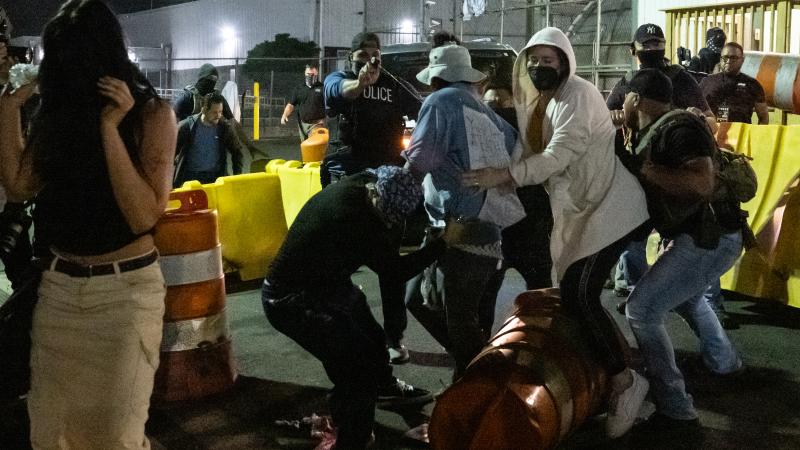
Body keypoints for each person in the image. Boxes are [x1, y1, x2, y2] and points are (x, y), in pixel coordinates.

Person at [0, 1, 176, 448]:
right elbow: (20, 186)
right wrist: (8, 108)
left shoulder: (152, 114)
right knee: (51, 433)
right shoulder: (58, 115)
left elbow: (142, 216)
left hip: (125, 296)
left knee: (115, 436)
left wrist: (111, 129)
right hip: (59, 292)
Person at [462, 27, 651, 438]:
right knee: (575, 294)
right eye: (534, 60)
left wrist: (506, 174)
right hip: (584, 210)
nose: (539, 67)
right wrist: (506, 179)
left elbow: (559, 153)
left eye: (549, 61)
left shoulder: (578, 95)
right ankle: (613, 369)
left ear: (565, 62)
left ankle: (627, 383)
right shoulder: (539, 100)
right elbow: (526, 151)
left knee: (580, 294)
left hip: (611, 207)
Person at [262, 166, 452, 450]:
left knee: (373, 339)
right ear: (376, 198)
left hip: (326, 284)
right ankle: (354, 438)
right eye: (386, 218)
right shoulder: (354, 220)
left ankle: (383, 389)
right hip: (291, 300)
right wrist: (443, 245)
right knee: (354, 368)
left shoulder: (365, 182)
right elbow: (394, 272)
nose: (388, 225)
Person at [621, 69, 744, 432]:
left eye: (624, 99)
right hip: (706, 236)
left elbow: (701, 183)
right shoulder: (649, 130)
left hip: (711, 239)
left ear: (635, 100)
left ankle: (675, 407)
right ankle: (725, 363)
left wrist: (645, 170)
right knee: (687, 298)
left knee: (642, 309)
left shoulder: (679, 130)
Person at [402, 44, 526, 380]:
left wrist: (392, 191)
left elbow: (420, 160)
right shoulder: (490, 116)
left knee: (453, 316)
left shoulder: (439, 102)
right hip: (489, 231)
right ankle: (474, 366)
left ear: (436, 79)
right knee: (451, 311)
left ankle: (481, 379)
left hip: (458, 227)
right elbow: (515, 152)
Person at [607, 23, 716, 300]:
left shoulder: (680, 78)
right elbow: (604, 118)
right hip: (645, 179)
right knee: (633, 238)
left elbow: (710, 120)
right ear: (634, 50)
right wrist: (618, 117)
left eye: (658, 44)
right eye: (647, 45)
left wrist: (693, 121)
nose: (653, 49)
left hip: (678, 175)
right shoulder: (629, 81)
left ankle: (700, 298)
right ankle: (639, 290)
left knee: (693, 238)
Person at [322, 32, 421, 186]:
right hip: (347, 170)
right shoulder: (337, 79)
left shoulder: (395, 85)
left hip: (386, 171)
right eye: (363, 55)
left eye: (375, 55)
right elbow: (339, 90)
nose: (370, 60)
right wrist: (360, 84)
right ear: (351, 57)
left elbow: (425, 114)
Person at [173, 91, 244, 187]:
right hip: (190, 178)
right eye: (215, 112)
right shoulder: (186, 127)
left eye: (220, 112)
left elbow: (237, 152)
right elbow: (171, 154)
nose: (218, 115)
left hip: (215, 178)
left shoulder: (225, 128)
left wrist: (237, 178)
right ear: (204, 110)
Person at [699, 42, 769, 125]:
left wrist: (756, 136)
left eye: (733, 58)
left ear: (742, 60)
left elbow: (763, 117)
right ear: (721, 59)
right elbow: (697, 109)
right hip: (712, 134)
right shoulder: (707, 82)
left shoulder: (752, 84)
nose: (728, 61)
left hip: (741, 135)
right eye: (725, 57)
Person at [280, 64, 326, 140]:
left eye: (313, 74)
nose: (310, 76)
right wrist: (284, 115)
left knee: (313, 146)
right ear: (305, 74)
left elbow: (329, 105)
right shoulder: (299, 89)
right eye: (308, 74)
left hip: (317, 124)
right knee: (305, 146)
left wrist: (325, 119)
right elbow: (291, 104)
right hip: (302, 125)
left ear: (317, 74)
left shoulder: (323, 88)